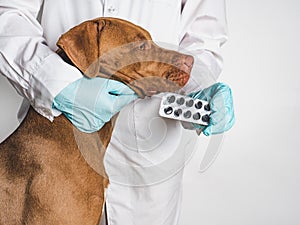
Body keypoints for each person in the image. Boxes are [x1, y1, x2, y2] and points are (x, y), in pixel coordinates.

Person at [0, 0, 234, 224]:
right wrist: (56, 82)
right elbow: (8, 13)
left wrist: (199, 89)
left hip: (148, 159)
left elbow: (203, 41)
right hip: (54, 131)